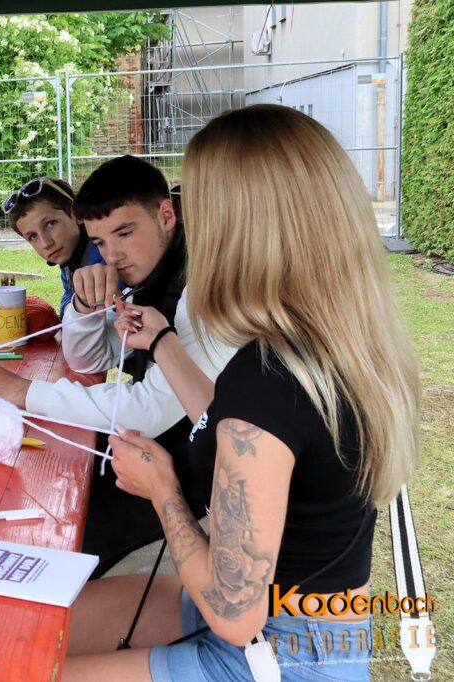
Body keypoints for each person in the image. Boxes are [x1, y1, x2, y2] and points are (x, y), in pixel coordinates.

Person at [65, 105, 419, 680]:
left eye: (199, 206)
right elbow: (242, 430)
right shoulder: (336, 343)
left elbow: (233, 612)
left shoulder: (267, 381)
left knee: (24, 662)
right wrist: (163, 343)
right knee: (44, 622)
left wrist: (162, 490)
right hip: (323, 624)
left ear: (236, 227)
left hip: (278, 653)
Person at [0, 155, 234, 576]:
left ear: (166, 216)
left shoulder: (202, 286)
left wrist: (19, 390)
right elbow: (89, 357)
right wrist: (84, 308)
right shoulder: (150, 275)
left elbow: (149, 410)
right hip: (155, 453)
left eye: (124, 233)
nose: (113, 256)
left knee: (64, 549)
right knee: (53, 496)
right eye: (101, 243)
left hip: (202, 482)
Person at [2, 176, 103, 316]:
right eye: (33, 236)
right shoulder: (69, 260)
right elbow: (68, 295)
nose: (46, 243)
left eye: (50, 224)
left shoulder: (106, 255)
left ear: (78, 215)